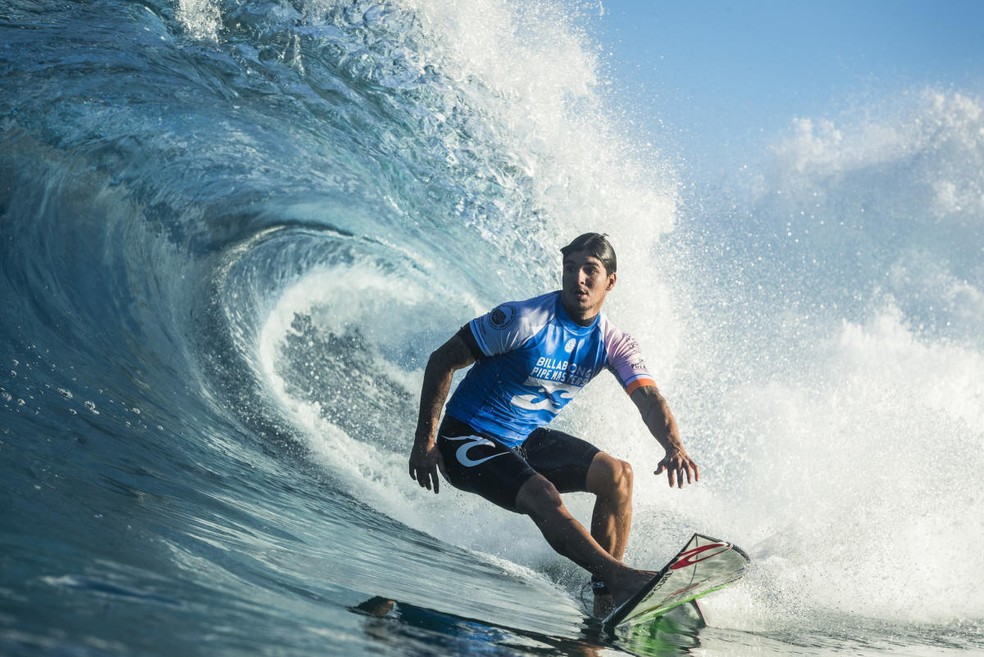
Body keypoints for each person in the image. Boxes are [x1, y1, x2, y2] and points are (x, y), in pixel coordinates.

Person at [408, 233, 699, 617]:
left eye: (590, 270)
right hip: (465, 438)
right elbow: (442, 360)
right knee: (542, 494)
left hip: (522, 439)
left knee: (619, 475)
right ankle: (621, 579)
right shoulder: (523, 320)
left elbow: (649, 399)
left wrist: (673, 446)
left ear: (610, 281)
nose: (578, 278)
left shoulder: (613, 342)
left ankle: (605, 603)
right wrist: (425, 443)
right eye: (570, 268)